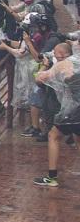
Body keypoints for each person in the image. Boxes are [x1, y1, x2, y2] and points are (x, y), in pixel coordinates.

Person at [33, 39, 80, 187]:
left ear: (61, 54)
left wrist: (45, 64)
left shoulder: (63, 64)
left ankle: (51, 177)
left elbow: (39, 79)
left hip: (72, 111)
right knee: (78, 136)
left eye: (55, 53)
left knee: (53, 135)